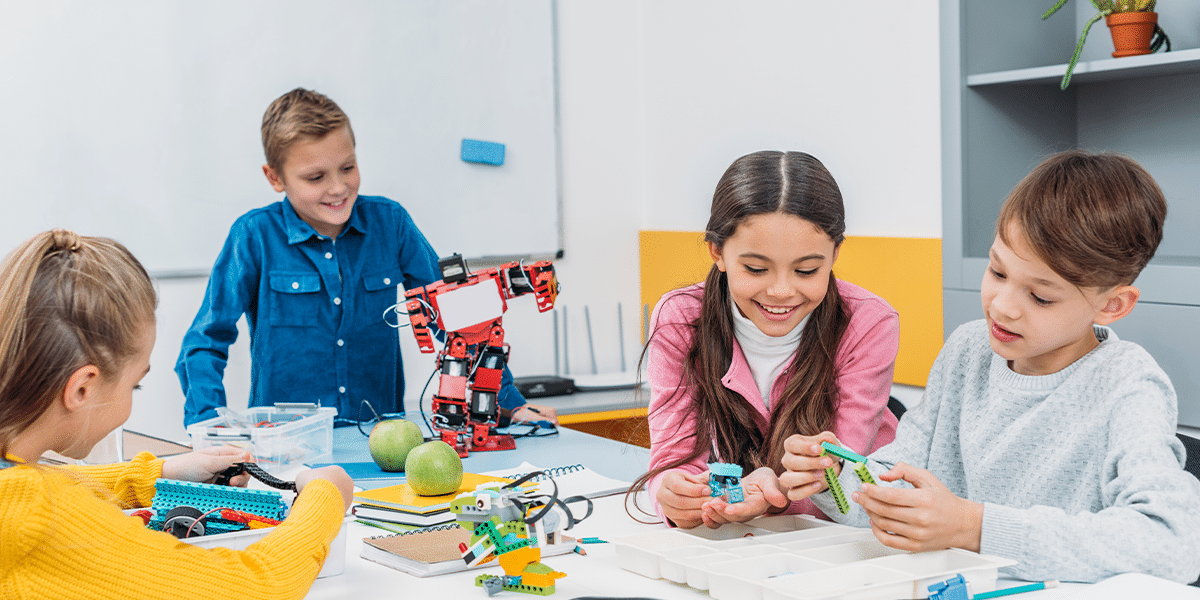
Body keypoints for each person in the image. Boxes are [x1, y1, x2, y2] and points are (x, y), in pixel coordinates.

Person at [780, 150, 1200, 583]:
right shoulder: (968, 349)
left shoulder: (1129, 386)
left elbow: (1174, 544)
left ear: (1112, 304)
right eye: (998, 272)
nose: (1002, 307)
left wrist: (974, 527)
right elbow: (902, 483)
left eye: (1040, 297)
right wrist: (837, 480)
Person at [0, 229, 355, 599]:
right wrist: (324, 498)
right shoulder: (37, 521)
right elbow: (253, 588)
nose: (131, 398)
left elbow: (43, 485)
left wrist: (163, 475)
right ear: (81, 389)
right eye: (133, 385)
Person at [176, 87, 556, 428]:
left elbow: (456, 320)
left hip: (383, 439)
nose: (339, 188)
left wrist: (509, 403)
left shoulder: (390, 223)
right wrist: (209, 424)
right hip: (288, 447)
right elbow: (205, 340)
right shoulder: (253, 236)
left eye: (348, 168)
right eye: (315, 177)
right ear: (275, 178)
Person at [631, 150, 900, 529]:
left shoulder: (870, 323)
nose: (781, 290)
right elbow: (673, 460)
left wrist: (772, 499)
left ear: (835, 254)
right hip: (748, 540)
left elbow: (841, 480)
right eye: (756, 268)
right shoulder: (680, 318)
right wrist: (672, 494)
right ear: (717, 251)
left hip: (853, 533)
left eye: (807, 270)